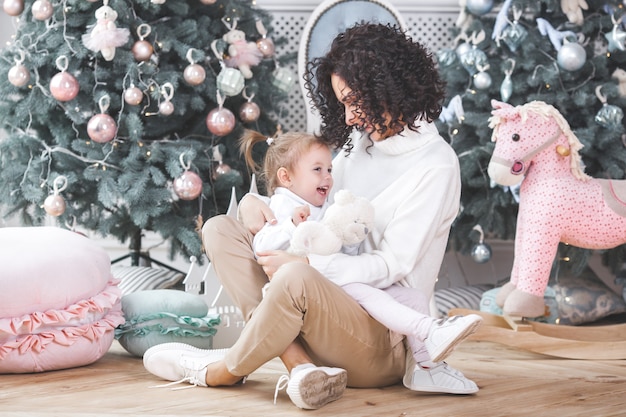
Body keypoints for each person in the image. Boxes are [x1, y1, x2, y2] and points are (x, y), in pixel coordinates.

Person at [143, 22, 481, 410]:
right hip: (322, 313)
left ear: (389, 86)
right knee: (221, 228)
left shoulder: (435, 166)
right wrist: (261, 202)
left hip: (382, 341)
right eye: (344, 104)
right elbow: (314, 212)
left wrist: (308, 263)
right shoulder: (362, 144)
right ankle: (300, 365)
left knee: (296, 274)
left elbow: (391, 266)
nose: (351, 117)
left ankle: (224, 371)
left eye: (355, 100)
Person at [241, 127, 481, 368]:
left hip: (336, 282)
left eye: (329, 169)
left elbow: (336, 250)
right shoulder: (284, 205)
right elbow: (261, 245)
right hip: (315, 291)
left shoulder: (322, 207)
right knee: (368, 295)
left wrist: (352, 240)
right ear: (286, 177)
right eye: (317, 170)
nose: (327, 177)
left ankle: (425, 364)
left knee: (414, 297)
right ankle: (428, 329)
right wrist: (290, 225)